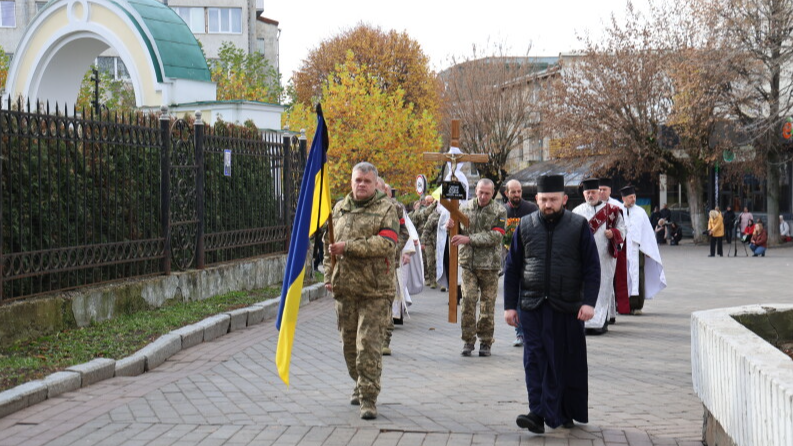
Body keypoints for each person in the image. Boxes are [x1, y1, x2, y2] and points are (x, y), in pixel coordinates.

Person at [503, 174, 600, 433]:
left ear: (564, 200)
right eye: (543, 199)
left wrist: (589, 303)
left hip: (567, 306)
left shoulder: (578, 226)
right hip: (532, 305)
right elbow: (512, 268)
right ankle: (537, 412)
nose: (548, 205)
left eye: (553, 200)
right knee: (534, 359)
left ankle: (563, 410)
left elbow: (592, 267)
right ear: (536, 199)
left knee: (564, 360)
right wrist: (510, 306)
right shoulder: (524, 226)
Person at [323, 162, 400, 420]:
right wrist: (328, 275)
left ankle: (369, 397)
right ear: (351, 181)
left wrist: (349, 247)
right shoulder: (339, 208)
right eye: (358, 180)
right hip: (345, 289)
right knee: (349, 347)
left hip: (375, 290)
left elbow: (386, 243)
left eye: (367, 181)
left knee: (368, 345)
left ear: (375, 183)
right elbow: (328, 244)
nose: (362, 185)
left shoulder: (387, 208)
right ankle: (358, 382)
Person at [446, 178, 507, 357]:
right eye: (480, 192)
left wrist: (470, 239)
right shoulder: (464, 208)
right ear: (476, 190)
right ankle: (468, 340)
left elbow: (496, 236)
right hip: (468, 264)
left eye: (487, 193)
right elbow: (457, 232)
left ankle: (486, 342)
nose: (483, 196)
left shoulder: (499, 210)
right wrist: (450, 227)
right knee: (468, 301)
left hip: (490, 266)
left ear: (493, 192)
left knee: (487, 306)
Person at [572, 178, 625, 335]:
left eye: (593, 192)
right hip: (583, 257)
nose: (591, 195)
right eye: (588, 192)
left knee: (604, 286)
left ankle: (602, 320)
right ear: (583, 194)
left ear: (599, 193)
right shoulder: (576, 212)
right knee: (585, 286)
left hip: (605, 256)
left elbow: (622, 229)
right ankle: (586, 320)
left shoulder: (613, 211)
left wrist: (613, 233)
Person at [377, 179, 412, 357]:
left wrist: (393, 250)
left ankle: (385, 339)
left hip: (388, 263)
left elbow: (404, 232)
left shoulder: (395, 208)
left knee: (386, 301)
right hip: (364, 266)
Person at [620, 185, 666, 315]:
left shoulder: (640, 212)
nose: (633, 199)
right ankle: (623, 305)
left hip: (637, 250)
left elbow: (648, 232)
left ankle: (637, 305)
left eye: (634, 197)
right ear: (624, 198)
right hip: (622, 250)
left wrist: (649, 250)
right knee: (623, 276)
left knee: (638, 276)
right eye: (630, 197)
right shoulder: (618, 211)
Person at [503, 179, 538, 347]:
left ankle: (531, 331)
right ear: (506, 193)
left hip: (529, 259)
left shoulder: (531, 209)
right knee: (515, 297)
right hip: (510, 260)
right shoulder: (503, 211)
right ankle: (520, 333)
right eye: (513, 192)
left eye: (519, 191)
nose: (516, 195)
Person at [599, 178, 628, 317]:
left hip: (610, 249)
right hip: (594, 250)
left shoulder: (616, 206)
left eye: (604, 189)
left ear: (610, 190)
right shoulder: (588, 207)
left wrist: (614, 235)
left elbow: (623, 228)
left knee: (609, 280)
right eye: (599, 189)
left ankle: (609, 313)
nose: (601, 192)